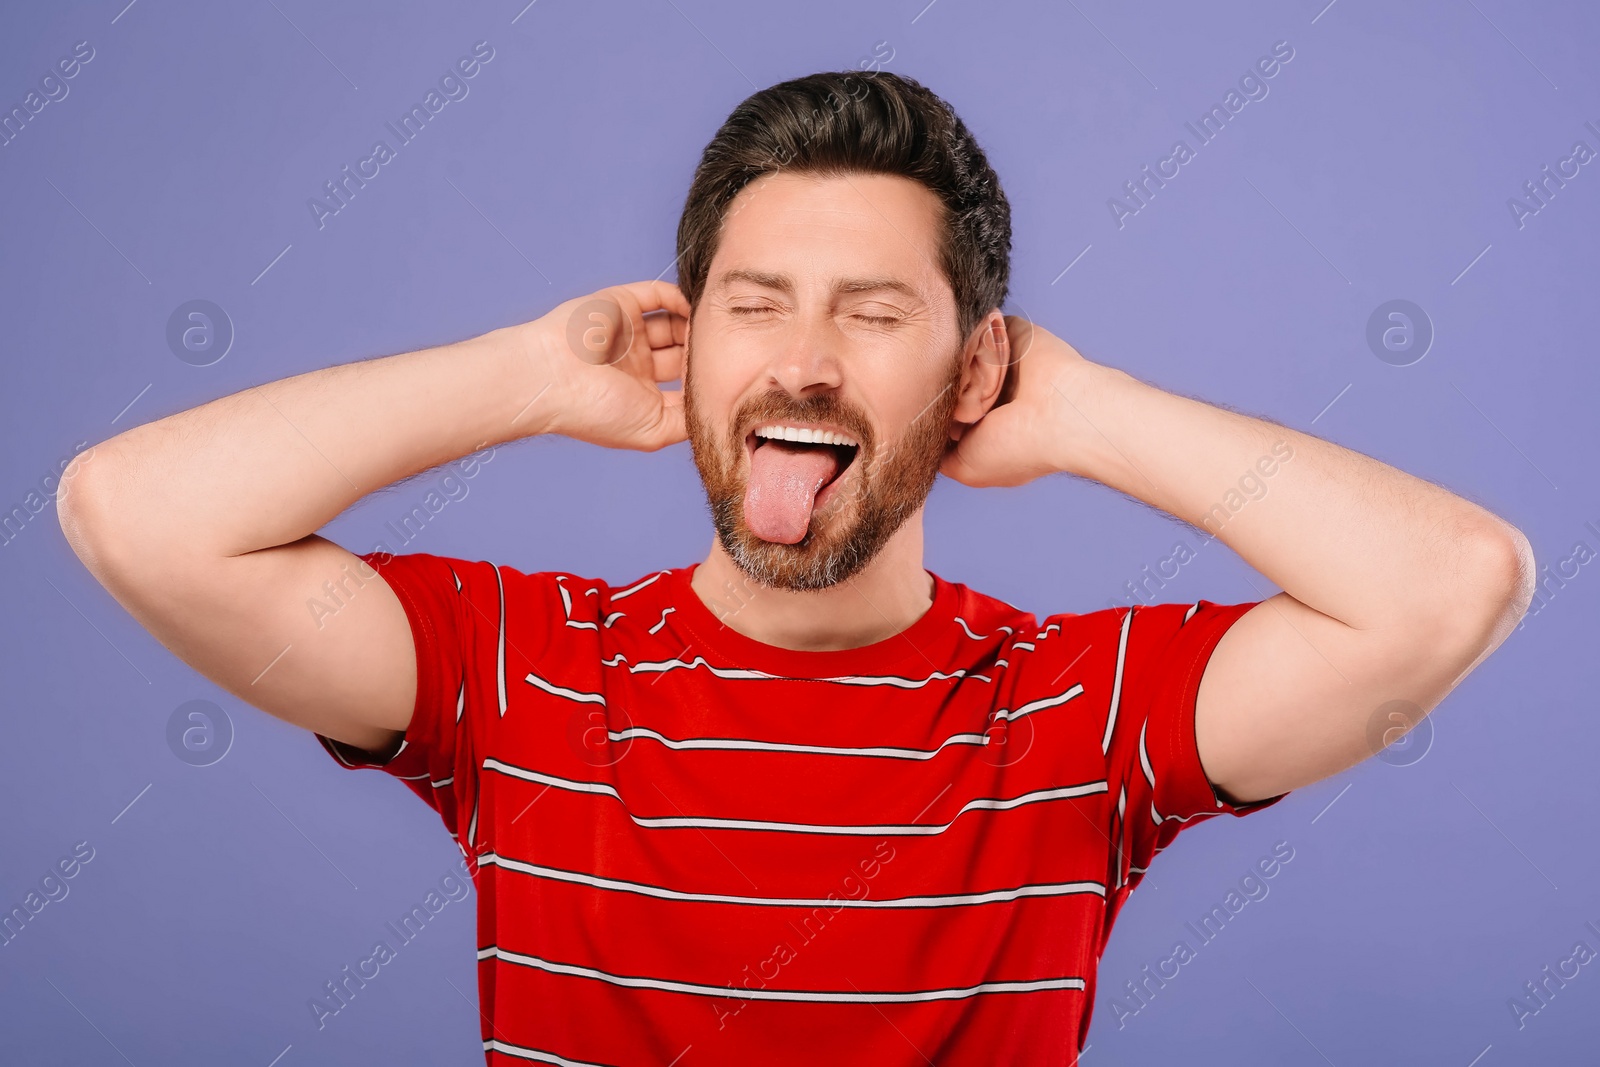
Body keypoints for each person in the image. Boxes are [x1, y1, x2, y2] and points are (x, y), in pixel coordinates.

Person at [57, 70, 1533, 1065]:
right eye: (757, 307)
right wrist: (525, 373)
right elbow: (132, 510)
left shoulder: (1078, 713)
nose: (808, 363)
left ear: (974, 365)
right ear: (693, 346)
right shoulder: (519, 670)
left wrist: (1085, 411)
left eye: (878, 315)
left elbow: (1452, 584)